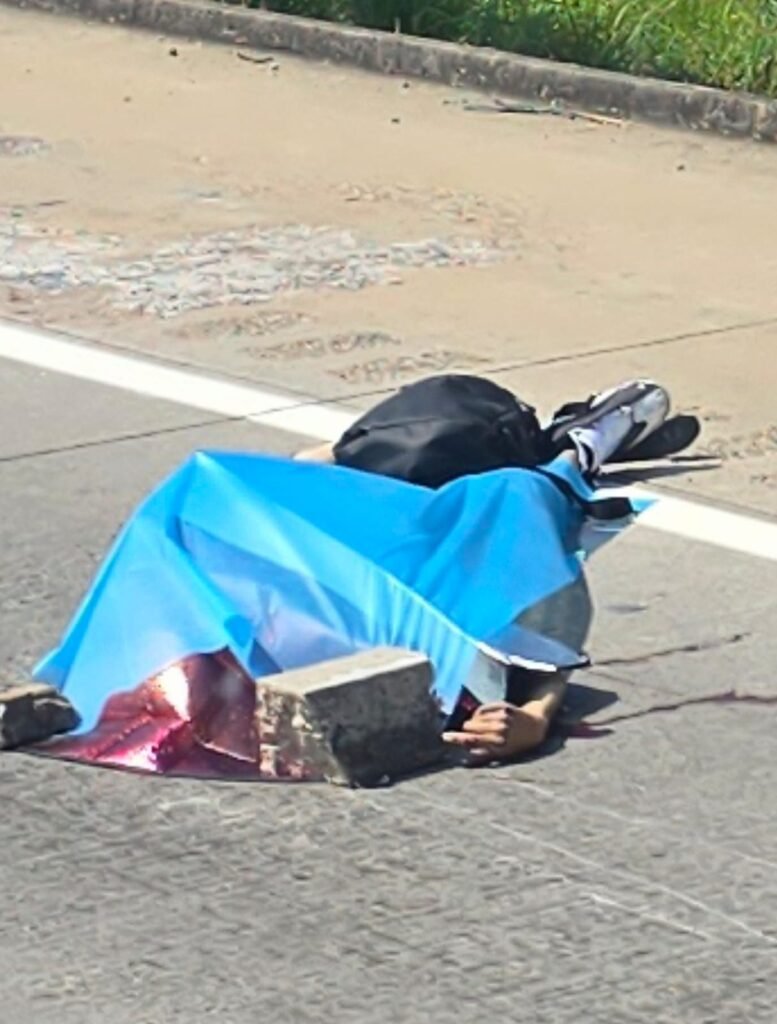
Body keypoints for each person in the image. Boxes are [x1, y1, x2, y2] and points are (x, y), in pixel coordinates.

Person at [295, 375, 696, 765]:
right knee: (524, 489)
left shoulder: (495, 527)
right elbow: (546, 648)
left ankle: (582, 442)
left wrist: (535, 719)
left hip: (446, 481)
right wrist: (534, 719)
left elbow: (548, 644)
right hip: (433, 496)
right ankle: (578, 442)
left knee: (523, 490)